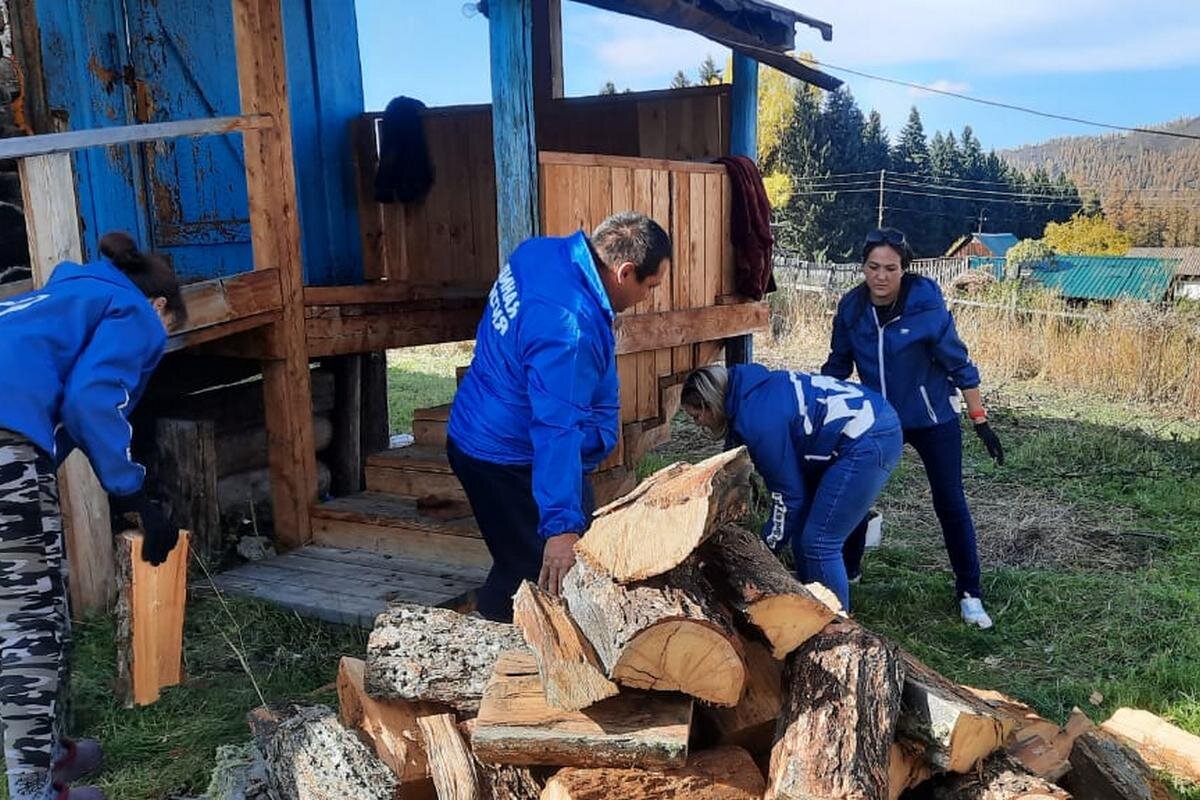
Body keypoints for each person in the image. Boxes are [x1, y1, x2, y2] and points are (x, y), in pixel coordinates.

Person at [0, 232, 187, 800]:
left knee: (34, 604)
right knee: (29, 621)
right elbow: (92, 399)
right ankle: (34, 791)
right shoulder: (134, 311)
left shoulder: (48, 300)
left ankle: (52, 755)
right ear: (161, 307)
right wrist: (134, 492)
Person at [447, 212, 670, 621]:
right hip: (503, 458)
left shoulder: (541, 253)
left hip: (486, 423)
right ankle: (498, 648)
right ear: (623, 272)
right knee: (533, 571)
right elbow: (556, 429)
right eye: (650, 286)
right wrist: (560, 528)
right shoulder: (569, 329)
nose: (647, 298)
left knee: (538, 554)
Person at [822, 227, 1004, 629]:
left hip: (932, 419)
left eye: (890, 268)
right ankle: (849, 569)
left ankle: (970, 593)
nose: (881, 276)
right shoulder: (852, 310)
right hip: (880, 422)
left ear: (904, 269)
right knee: (852, 493)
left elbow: (959, 365)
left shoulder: (925, 307)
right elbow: (837, 368)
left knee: (949, 501)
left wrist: (981, 422)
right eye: (873, 267)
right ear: (863, 267)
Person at [681, 364, 902, 611]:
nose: (698, 424)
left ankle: (839, 628)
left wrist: (763, 552)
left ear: (710, 404)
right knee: (803, 529)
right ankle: (810, 606)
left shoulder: (758, 422)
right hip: (864, 421)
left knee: (819, 541)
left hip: (868, 438)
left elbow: (788, 497)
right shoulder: (748, 390)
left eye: (696, 416)